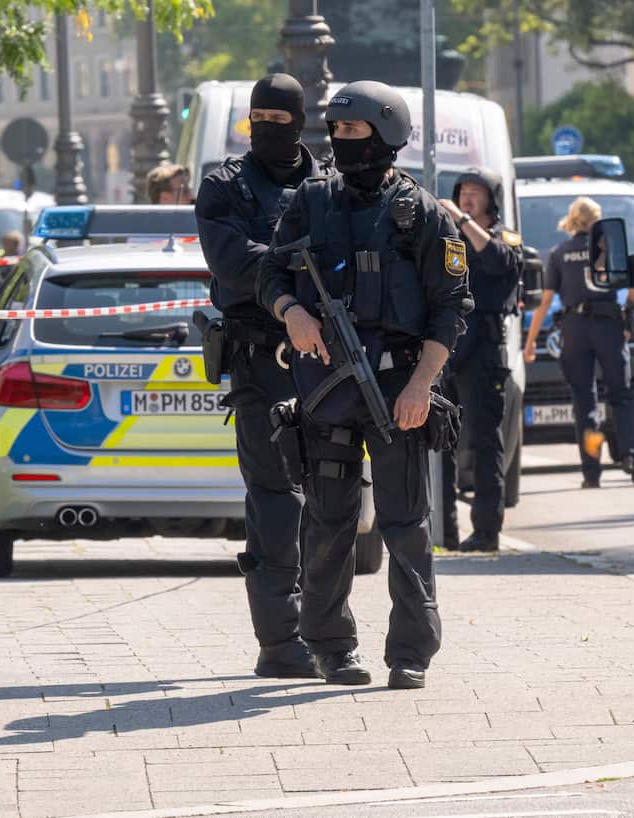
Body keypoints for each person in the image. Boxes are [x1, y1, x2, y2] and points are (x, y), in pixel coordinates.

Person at [258, 80, 472, 688]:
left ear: (387, 134)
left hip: (398, 387)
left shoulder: (424, 213)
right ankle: (330, 646)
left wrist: (420, 387)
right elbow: (271, 271)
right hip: (327, 386)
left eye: (352, 132)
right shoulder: (310, 201)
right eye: (337, 132)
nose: (340, 142)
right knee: (328, 523)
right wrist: (291, 313)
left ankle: (411, 652)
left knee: (405, 523)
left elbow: (452, 307)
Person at [195, 73, 328, 680]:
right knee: (275, 499)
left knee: (332, 497)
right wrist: (298, 280)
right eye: (259, 121)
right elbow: (230, 260)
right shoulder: (224, 185)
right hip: (260, 358)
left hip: (326, 357)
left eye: (280, 120)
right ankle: (279, 640)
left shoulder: (328, 182)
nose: (268, 130)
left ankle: (328, 628)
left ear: (300, 124)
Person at [524, 196, 634, 488]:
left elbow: (546, 300)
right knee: (621, 394)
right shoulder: (609, 247)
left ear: (572, 220)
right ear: (596, 220)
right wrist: (627, 318)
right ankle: (631, 457)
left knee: (584, 402)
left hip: (574, 329)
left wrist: (529, 342)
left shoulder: (559, 253)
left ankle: (591, 472)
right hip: (608, 327)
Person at [437, 168, 525, 552]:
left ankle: (487, 530)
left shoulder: (503, 238)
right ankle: (444, 530)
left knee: (485, 442)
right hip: (446, 346)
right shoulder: (450, 237)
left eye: (476, 192)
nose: (468, 197)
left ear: (491, 198)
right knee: (438, 441)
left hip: (484, 352)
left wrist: (462, 219)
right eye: (463, 192)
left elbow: (499, 261)